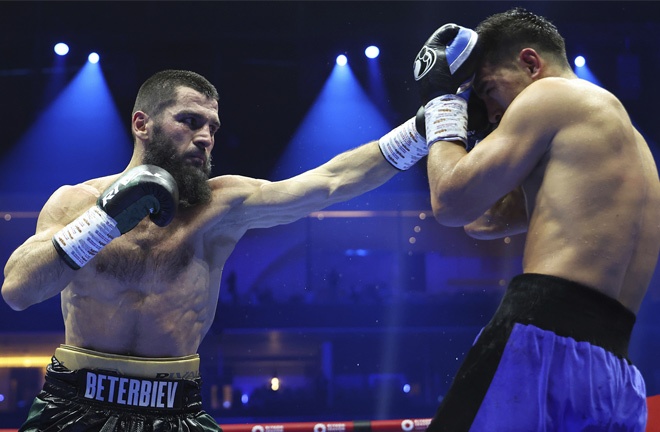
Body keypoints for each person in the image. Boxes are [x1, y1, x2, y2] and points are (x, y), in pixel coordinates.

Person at [1, 69, 428, 431]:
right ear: (141, 123)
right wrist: (105, 220)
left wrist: (421, 130)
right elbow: (17, 290)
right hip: (75, 405)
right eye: (189, 120)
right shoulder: (76, 202)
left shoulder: (221, 206)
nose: (205, 137)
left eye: (212, 127)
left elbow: (331, 181)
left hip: (175, 408)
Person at [414, 8, 660, 432]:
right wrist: (478, 146)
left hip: (541, 339)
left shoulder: (548, 96)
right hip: (613, 370)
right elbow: (482, 220)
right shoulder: (630, 144)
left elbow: (451, 203)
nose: (491, 112)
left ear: (530, 63)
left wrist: (444, 114)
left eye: (489, 89)